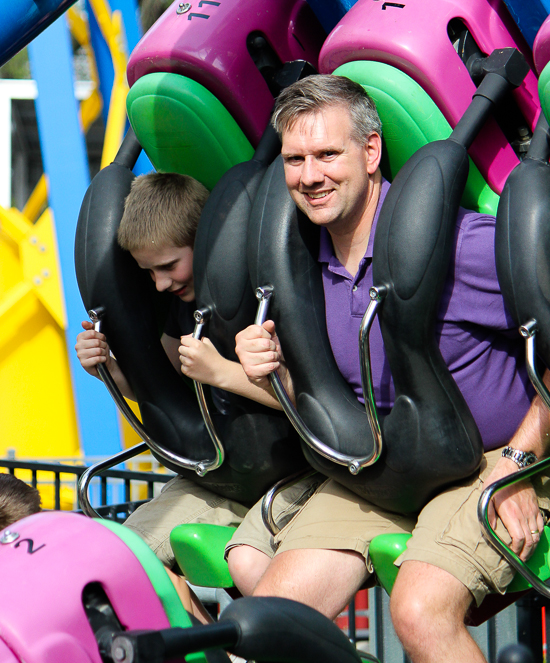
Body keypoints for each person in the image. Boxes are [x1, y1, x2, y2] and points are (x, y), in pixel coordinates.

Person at [224, 75, 550, 663]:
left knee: (420, 611)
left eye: (328, 154)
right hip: (383, 467)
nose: (310, 175)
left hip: (488, 461)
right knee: (268, 619)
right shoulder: (302, 264)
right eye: (295, 159)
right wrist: (267, 370)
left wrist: (521, 458)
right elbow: (331, 395)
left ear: (371, 153)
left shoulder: (456, 245)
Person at [75, 171, 314, 620]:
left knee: (255, 580)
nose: (161, 283)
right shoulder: (182, 307)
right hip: (222, 471)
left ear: (203, 245)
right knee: (125, 565)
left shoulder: (259, 295)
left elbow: (314, 405)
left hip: (290, 472)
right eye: (149, 272)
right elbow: (163, 391)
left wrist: (223, 372)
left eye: (169, 266)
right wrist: (107, 370)